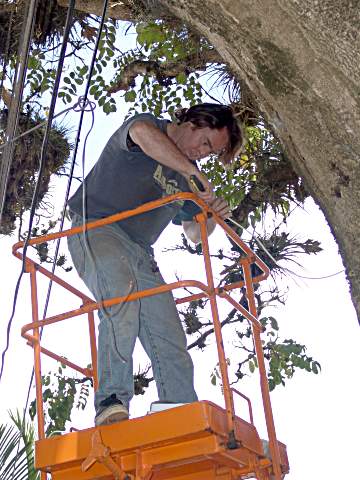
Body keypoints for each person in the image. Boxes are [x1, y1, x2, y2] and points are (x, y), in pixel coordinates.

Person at [67, 103, 242, 426]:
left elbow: (195, 235)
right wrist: (193, 173)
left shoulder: (188, 177)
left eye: (210, 153)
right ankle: (112, 402)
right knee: (121, 297)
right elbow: (141, 135)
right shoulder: (149, 127)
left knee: (169, 333)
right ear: (193, 122)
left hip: (140, 251)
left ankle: (180, 413)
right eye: (205, 143)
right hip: (96, 226)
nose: (202, 154)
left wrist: (210, 214)